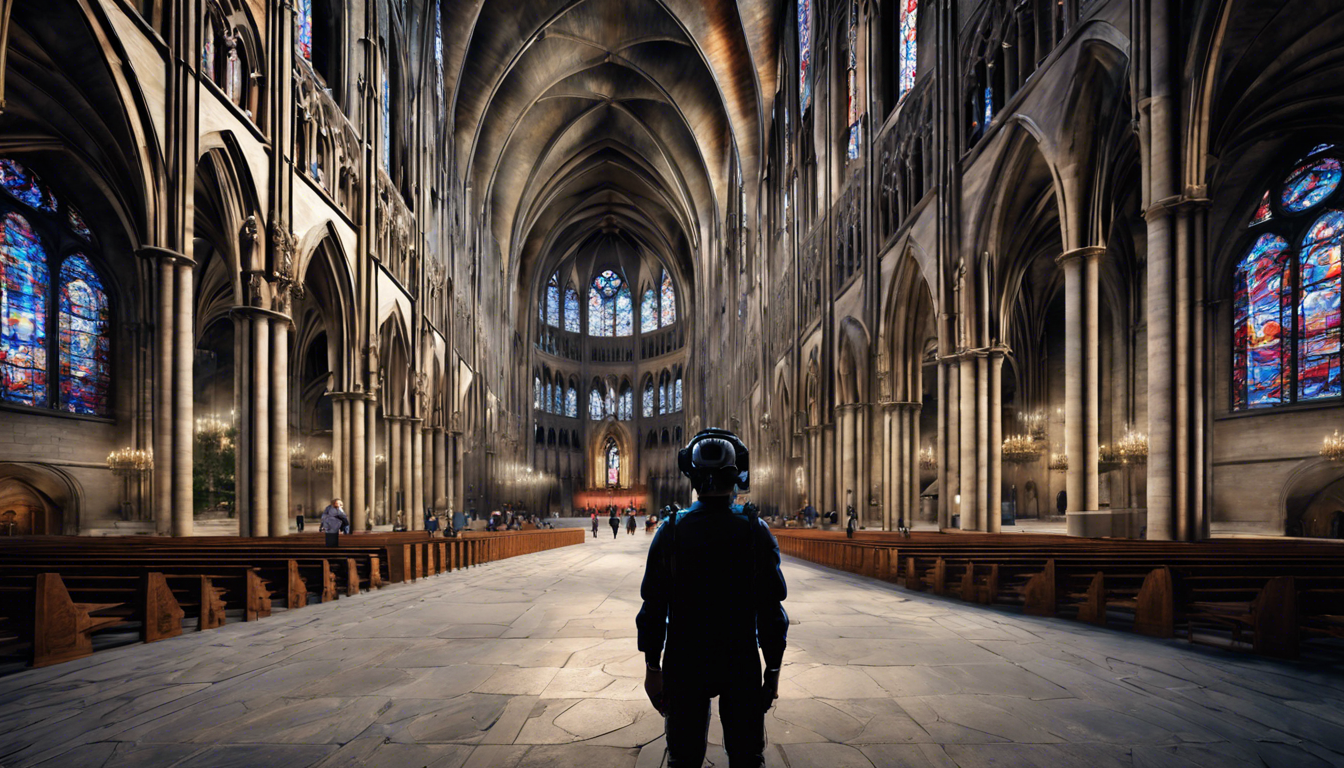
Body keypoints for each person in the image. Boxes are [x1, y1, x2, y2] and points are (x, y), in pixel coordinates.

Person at [637, 428, 787, 768]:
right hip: (740, 658)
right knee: (747, 758)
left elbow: (654, 605)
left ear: (691, 476)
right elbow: (770, 607)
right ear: (736, 478)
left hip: (684, 659)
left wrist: (652, 666)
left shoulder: (672, 529)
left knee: (684, 758)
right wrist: (773, 667)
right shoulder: (754, 529)